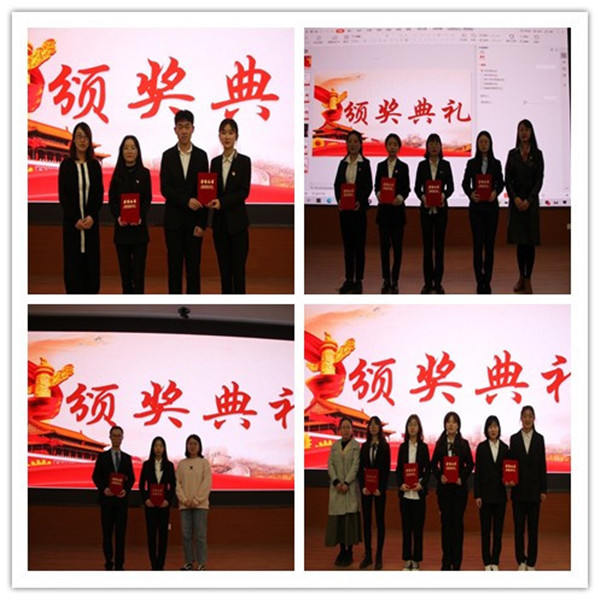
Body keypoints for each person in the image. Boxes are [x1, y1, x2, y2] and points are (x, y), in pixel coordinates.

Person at [160, 110, 209, 294]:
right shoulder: (167, 156)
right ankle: (174, 305)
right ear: (175, 130)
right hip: (173, 223)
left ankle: (193, 305)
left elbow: (205, 192)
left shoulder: (201, 156)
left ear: (193, 129)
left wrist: (202, 223)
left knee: (193, 270)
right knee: (174, 269)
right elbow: (165, 189)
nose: (183, 131)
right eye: (180, 127)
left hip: (194, 223)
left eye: (187, 127)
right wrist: (186, 200)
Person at [58, 121, 104, 293]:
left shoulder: (95, 166)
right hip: (72, 226)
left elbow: (98, 195)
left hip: (91, 225)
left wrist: (91, 216)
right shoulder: (66, 166)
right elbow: (64, 196)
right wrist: (75, 220)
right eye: (79, 136)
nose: (82, 140)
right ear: (73, 140)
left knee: (91, 267)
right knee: (73, 268)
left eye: (86, 137)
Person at [208, 118, 251, 294]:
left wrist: (222, 203)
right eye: (224, 133)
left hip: (238, 225)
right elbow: (210, 190)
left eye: (230, 133)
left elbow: (243, 192)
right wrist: (208, 199)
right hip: (220, 226)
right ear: (219, 136)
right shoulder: (215, 162)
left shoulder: (244, 162)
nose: (227, 137)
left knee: (238, 271)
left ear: (236, 136)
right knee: (224, 272)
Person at [461, 131, 505, 294]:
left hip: (491, 209)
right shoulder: (472, 163)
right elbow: (465, 183)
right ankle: (479, 280)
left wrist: (495, 192)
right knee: (478, 245)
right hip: (476, 209)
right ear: (477, 144)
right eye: (481, 142)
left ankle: (488, 280)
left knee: (490, 245)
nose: (483, 144)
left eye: (486, 142)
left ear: (490, 144)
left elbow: (501, 183)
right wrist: (471, 193)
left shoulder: (496, 163)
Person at [108, 135, 152, 294]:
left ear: (138, 151)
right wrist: (118, 216)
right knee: (125, 275)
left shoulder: (145, 174)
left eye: (133, 148)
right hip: (122, 232)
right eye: (126, 148)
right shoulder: (117, 174)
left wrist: (139, 216)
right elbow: (112, 200)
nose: (129, 151)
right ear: (121, 151)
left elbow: (147, 199)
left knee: (138, 275)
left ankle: (139, 304)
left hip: (139, 232)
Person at [505, 119, 544, 294]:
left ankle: (528, 279)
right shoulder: (512, 154)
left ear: (531, 132)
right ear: (518, 133)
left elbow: (539, 180)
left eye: (527, 129)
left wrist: (529, 200)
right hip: (516, 204)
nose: (524, 133)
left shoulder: (538, 154)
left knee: (530, 243)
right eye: (521, 129)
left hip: (531, 204)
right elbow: (507, 179)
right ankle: (521, 276)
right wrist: (515, 199)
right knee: (520, 243)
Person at [431, 411, 474, 570]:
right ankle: (446, 561)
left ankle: (456, 563)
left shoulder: (464, 444)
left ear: (458, 426)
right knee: (445, 526)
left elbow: (470, 464)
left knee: (457, 526)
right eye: (448, 422)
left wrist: (462, 477)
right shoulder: (440, 444)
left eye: (454, 422)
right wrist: (440, 476)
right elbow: (433, 465)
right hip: (444, 492)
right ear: (445, 425)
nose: (451, 425)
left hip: (459, 491)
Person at [333, 130, 373, 294]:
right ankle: (349, 279)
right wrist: (339, 200)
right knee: (348, 247)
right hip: (345, 212)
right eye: (350, 141)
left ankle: (358, 280)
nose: (353, 144)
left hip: (359, 211)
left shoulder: (365, 164)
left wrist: (360, 202)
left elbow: (368, 186)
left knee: (359, 247)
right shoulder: (343, 163)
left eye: (356, 141)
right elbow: (337, 185)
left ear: (361, 144)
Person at [414, 133, 454, 294]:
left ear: (440, 146)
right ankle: (427, 283)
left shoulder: (446, 165)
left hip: (441, 211)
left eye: (436, 143)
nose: (434, 146)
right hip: (425, 211)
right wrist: (423, 197)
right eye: (431, 143)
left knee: (439, 247)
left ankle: (438, 283)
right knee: (427, 247)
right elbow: (417, 188)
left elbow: (450, 187)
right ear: (427, 146)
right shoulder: (422, 165)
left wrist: (443, 196)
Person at [91, 425, 135, 570]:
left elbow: (131, 478)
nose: (116, 438)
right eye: (114, 435)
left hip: (121, 502)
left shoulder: (127, 458)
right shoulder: (102, 457)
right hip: (107, 501)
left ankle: (120, 563)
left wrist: (125, 490)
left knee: (121, 534)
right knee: (107, 534)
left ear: (122, 438)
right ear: (110, 437)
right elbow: (96, 476)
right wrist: (104, 488)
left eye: (119, 435)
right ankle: (108, 561)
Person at [509, 405, 547, 570]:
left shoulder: (539, 439)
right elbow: (511, 464)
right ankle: (521, 561)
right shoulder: (514, 439)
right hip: (518, 491)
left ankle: (531, 562)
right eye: (524, 416)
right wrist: (509, 480)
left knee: (533, 529)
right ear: (521, 418)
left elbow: (542, 465)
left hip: (534, 492)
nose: (527, 419)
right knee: (518, 529)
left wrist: (543, 490)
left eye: (530, 416)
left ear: (534, 418)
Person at [374, 133, 410, 294]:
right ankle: (386, 279)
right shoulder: (380, 166)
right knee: (384, 248)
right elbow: (376, 186)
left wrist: (399, 198)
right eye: (390, 144)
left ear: (399, 147)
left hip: (397, 213)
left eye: (395, 144)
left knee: (397, 248)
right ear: (386, 146)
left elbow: (406, 188)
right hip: (383, 213)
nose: (392, 147)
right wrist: (379, 195)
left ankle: (395, 279)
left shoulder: (403, 167)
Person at [474, 415, 510, 570]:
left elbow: (509, 470)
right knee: (485, 531)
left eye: (495, 426)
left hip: (500, 496)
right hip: (485, 497)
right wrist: (477, 495)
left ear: (499, 429)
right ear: (486, 429)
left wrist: (509, 481)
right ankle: (486, 562)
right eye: (490, 427)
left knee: (498, 532)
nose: (493, 429)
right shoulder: (481, 448)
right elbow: (478, 473)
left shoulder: (505, 448)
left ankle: (495, 561)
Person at [395, 414, 430, 571]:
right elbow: (398, 470)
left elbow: (427, 470)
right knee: (406, 528)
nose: (412, 427)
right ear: (407, 428)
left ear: (419, 428)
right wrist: (400, 484)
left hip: (418, 494)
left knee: (418, 529)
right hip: (405, 494)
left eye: (415, 424)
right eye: (410, 424)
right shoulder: (403, 447)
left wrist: (421, 485)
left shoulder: (423, 447)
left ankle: (416, 561)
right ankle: (407, 560)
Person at [325, 416, 362, 566]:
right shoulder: (334, 446)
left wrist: (346, 483)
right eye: (343, 427)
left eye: (348, 427)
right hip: (336, 489)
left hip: (349, 488)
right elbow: (330, 465)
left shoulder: (356, 446)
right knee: (339, 523)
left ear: (352, 430)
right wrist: (336, 482)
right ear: (339, 430)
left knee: (349, 522)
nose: (345, 430)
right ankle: (341, 551)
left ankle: (349, 552)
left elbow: (355, 466)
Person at [358, 416, 390, 570]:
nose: (373, 427)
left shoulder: (385, 446)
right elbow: (360, 469)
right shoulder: (364, 446)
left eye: (376, 425)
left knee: (380, 522)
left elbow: (386, 470)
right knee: (367, 522)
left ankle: (378, 556)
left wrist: (381, 489)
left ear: (380, 428)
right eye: (371, 425)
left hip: (379, 491)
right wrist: (363, 486)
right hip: (366, 491)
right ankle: (368, 555)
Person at [139, 436, 176, 570]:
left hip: (164, 506)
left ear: (164, 448)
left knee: (163, 536)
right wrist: (146, 500)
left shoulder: (169, 465)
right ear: (152, 448)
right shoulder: (146, 464)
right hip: (150, 505)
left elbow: (173, 486)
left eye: (161, 446)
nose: (158, 448)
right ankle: (153, 564)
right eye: (156, 446)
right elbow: (142, 485)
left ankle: (161, 564)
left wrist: (167, 500)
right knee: (151, 535)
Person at [176, 434, 212, 570]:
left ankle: (201, 563)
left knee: (200, 536)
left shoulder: (204, 463)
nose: (192, 446)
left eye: (195, 444)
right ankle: (188, 562)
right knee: (186, 535)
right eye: (190, 443)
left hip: (200, 506)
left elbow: (206, 484)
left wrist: (196, 500)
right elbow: (177, 484)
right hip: (184, 505)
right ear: (186, 446)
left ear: (199, 446)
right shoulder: (181, 464)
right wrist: (184, 500)